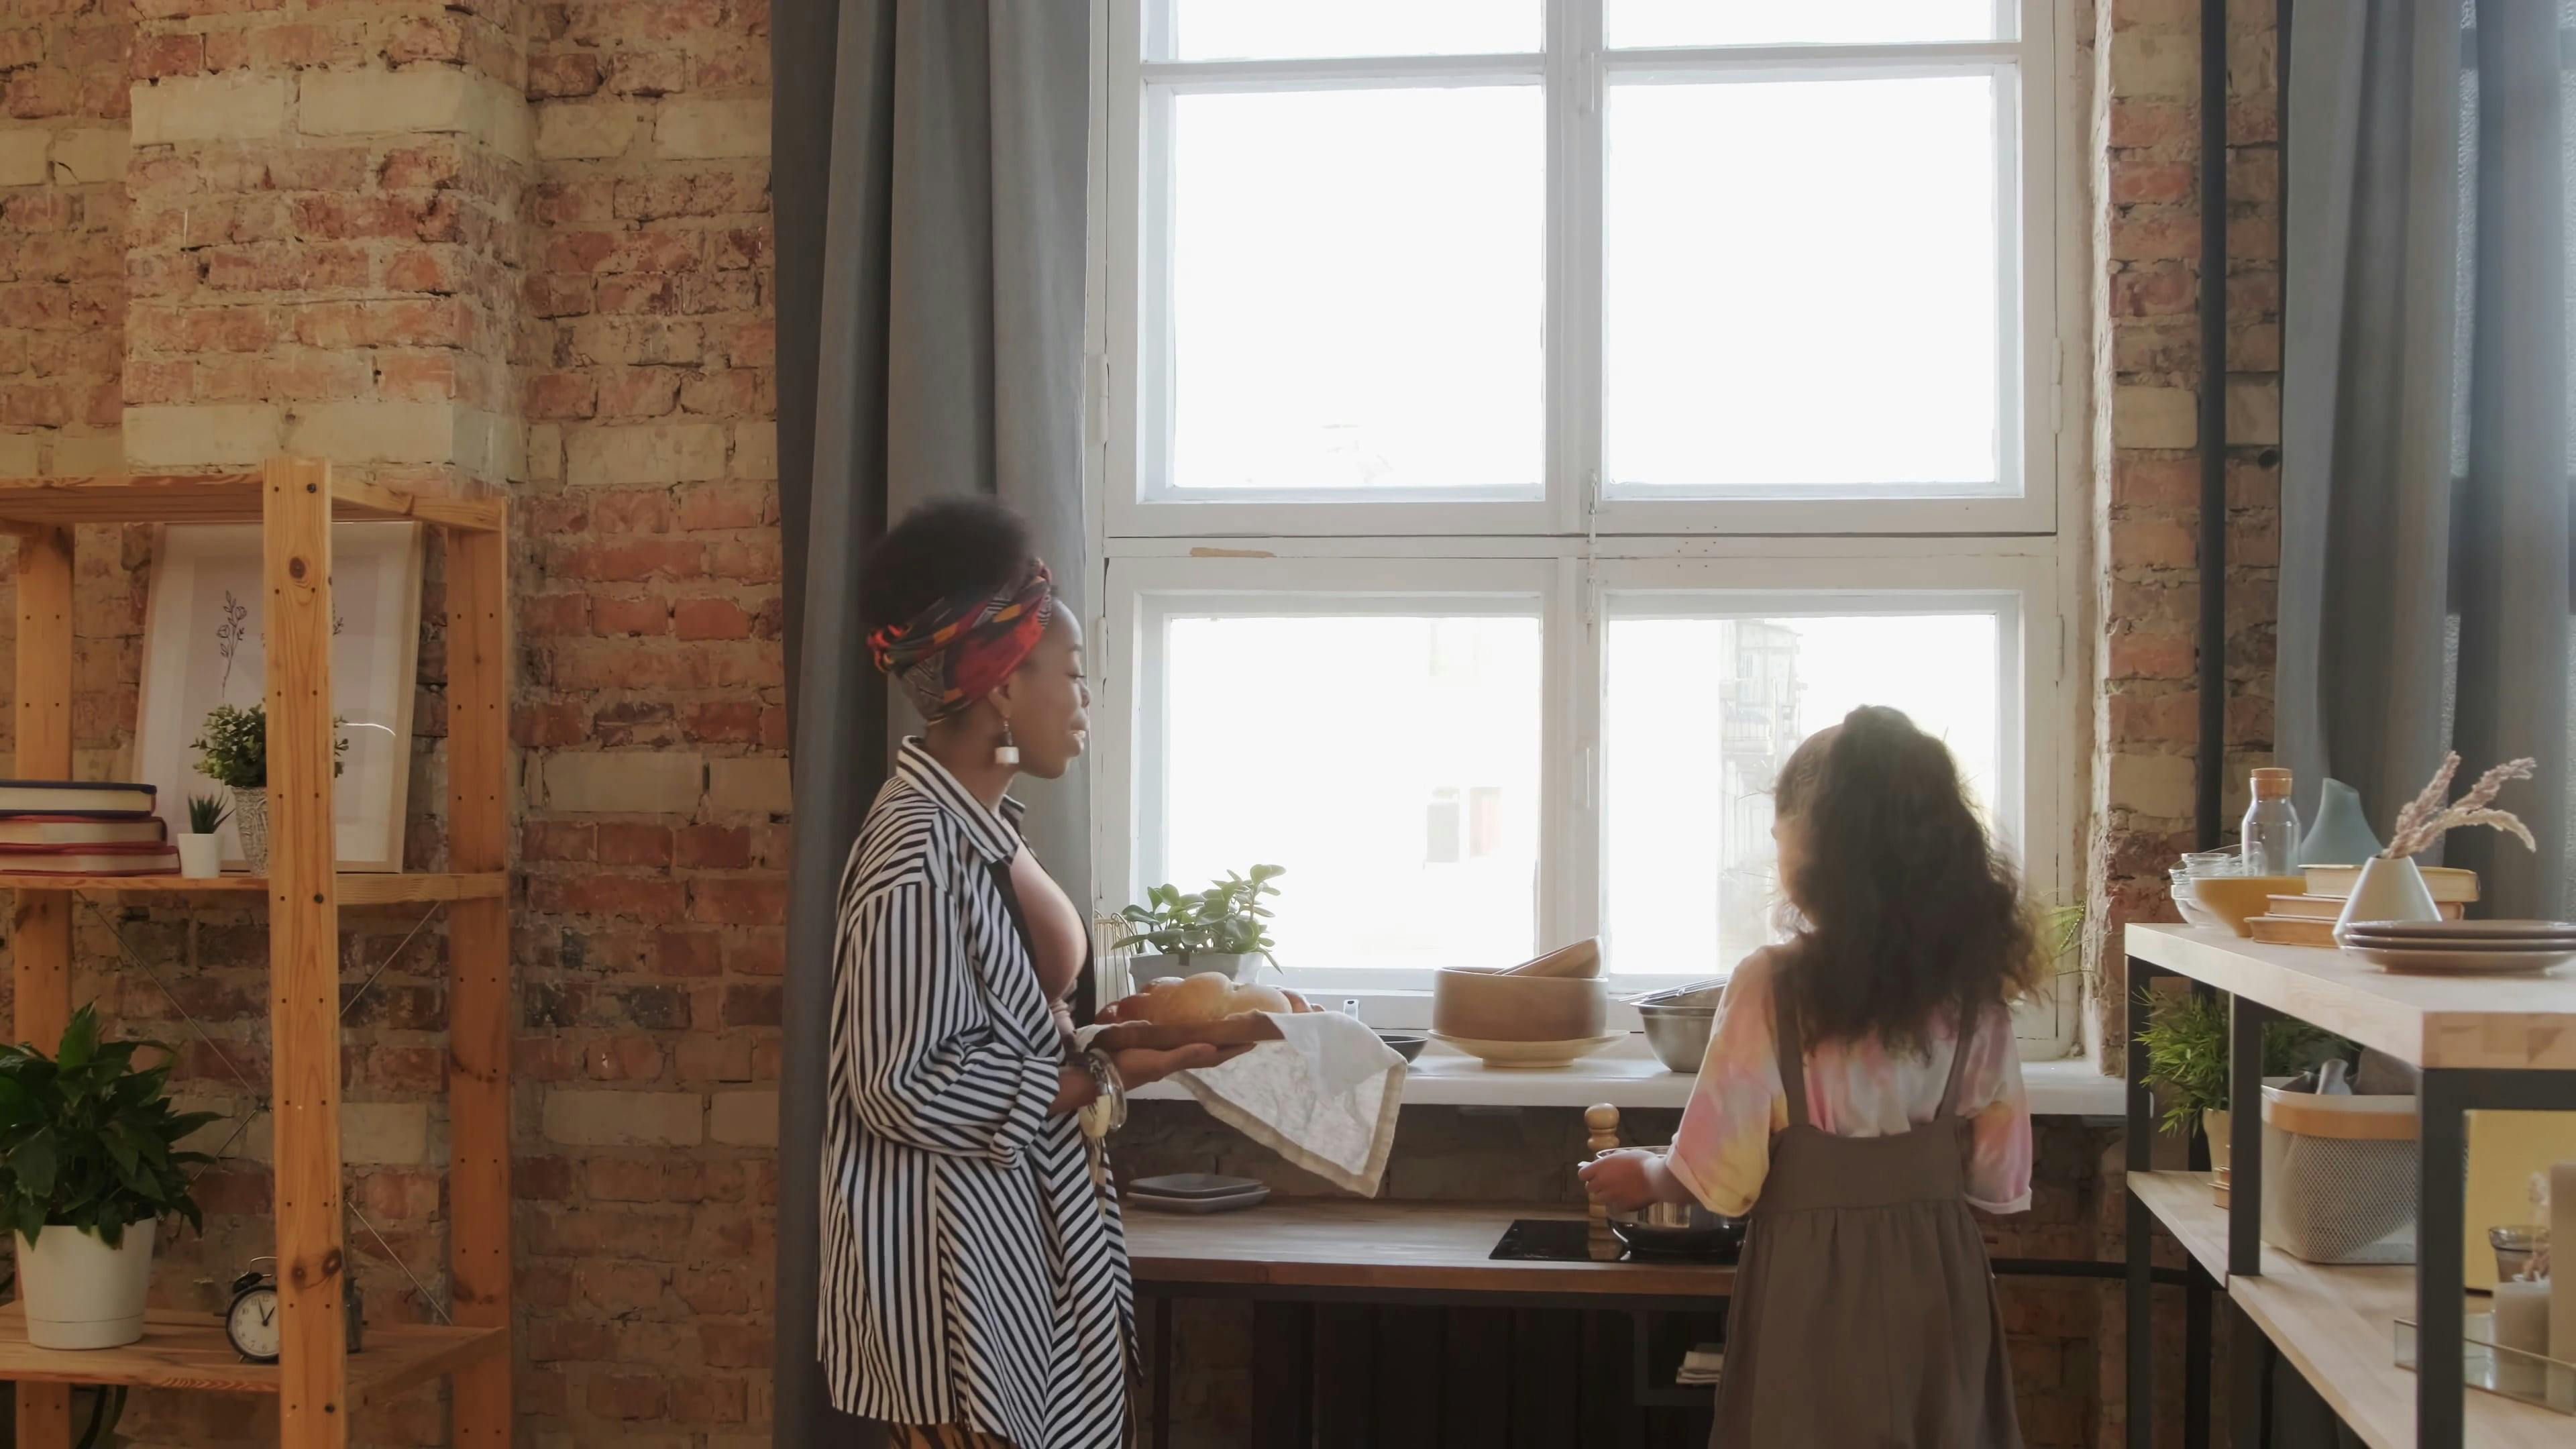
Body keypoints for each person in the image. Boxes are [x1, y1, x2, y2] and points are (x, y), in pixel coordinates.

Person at [820, 499, 1247, 1449]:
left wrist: (1116, 1047)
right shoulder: (917, 854)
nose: (1085, 700)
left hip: (1013, 1251)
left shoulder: (981, 827)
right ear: (1005, 685)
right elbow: (902, 1084)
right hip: (955, 1287)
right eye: (1074, 673)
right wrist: (1100, 1077)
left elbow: (988, 1034)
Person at [1582, 705, 2039, 1449]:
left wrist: (1649, 1174)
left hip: (1813, 1285)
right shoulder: (1972, 990)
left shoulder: (1772, 985)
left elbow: (1723, 1172)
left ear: (1821, 850)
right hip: (1937, 1279)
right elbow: (1998, 1176)